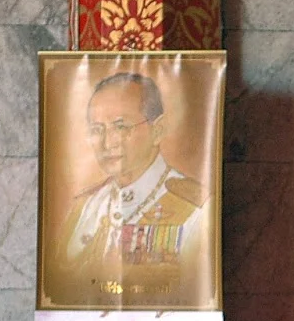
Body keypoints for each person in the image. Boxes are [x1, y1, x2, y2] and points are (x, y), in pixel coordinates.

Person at [51, 71, 207, 306]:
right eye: (97, 129)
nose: (107, 142)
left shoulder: (196, 208)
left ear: (158, 130)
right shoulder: (85, 207)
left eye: (121, 127)